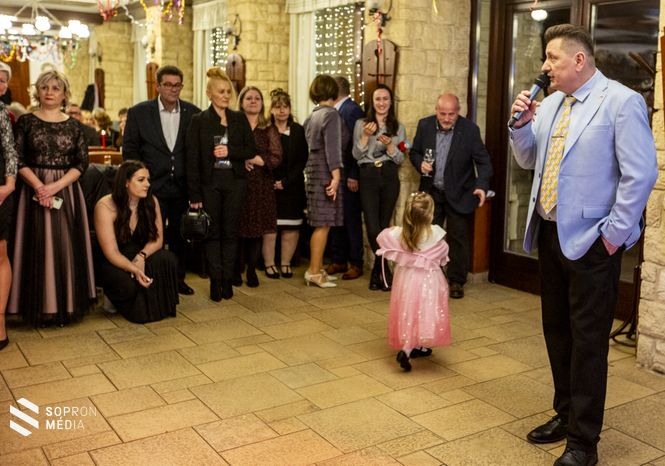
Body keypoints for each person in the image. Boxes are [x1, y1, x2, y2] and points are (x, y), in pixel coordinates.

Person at [510, 24, 657, 466]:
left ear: (579, 59)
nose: (545, 66)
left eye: (552, 57)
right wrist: (520, 125)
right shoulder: (552, 104)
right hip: (550, 233)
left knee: (589, 343)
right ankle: (565, 413)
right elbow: (529, 159)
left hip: (594, 243)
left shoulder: (620, 102)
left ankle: (583, 443)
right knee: (557, 332)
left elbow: (640, 174)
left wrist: (612, 236)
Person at [8, 70, 96, 327]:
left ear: (65, 94)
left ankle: (64, 307)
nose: (49, 92)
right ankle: (35, 307)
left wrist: (54, 187)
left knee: (64, 246)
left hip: (66, 191)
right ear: (37, 91)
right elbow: (16, 158)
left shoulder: (75, 126)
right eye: (45, 87)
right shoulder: (25, 121)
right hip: (30, 190)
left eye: (56, 88)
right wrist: (39, 187)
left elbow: (81, 163)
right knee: (32, 244)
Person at [123, 65, 201, 296]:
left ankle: (178, 280)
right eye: (168, 84)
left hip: (181, 187)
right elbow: (130, 151)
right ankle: (149, 278)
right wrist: (138, 181)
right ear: (157, 86)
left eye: (177, 85)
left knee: (180, 237)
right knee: (151, 235)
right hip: (151, 186)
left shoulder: (193, 113)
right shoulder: (139, 113)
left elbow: (196, 152)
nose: (173, 89)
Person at [410, 92, 493, 299]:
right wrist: (420, 163)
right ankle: (431, 277)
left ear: (458, 112)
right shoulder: (425, 125)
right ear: (436, 110)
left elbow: (484, 162)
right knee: (429, 237)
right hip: (432, 193)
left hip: (460, 193)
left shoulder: (470, 130)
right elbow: (414, 152)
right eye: (442, 114)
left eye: (451, 114)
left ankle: (456, 281)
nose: (447, 118)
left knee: (458, 238)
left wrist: (481, 186)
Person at [186, 68, 255, 301]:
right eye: (221, 92)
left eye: (228, 92)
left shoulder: (239, 119)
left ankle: (228, 279)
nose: (226, 96)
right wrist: (194, 194)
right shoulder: (199, 121)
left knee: (231, 233)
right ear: (209, 94)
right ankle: (215, 280)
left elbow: (250, 149)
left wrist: (230, 151)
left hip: (235, 183)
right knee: (212, 233)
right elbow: (192, 160)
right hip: (210, 184)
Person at [94, 161, 179, 323]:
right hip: (113, 259)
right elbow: (111, 252)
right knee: (127, 285)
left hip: (139, 253)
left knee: (167, 259)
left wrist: (141, 256)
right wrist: (134, 268)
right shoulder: (105, 206)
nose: (147, 184)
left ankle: (154, 304)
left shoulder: (151, 201)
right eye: (141, 180)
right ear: (126, 182)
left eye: (148, 180)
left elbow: (158, 240)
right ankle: (119, 299)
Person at [376, 192, 451, 372]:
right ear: (430, 214)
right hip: (428, 281)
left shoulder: (399, 234)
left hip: (406, 279)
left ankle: (413, 345)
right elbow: (443, 254)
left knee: (409, 310)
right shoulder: (436, 236)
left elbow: (381, 238)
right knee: (424, 311)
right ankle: (409, 348)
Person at [352, 84, 406, 291]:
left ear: (390, 102)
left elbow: (400, 159)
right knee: (373, 225)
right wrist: (366, 136)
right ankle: (384, 270)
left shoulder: (398, 127)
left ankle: (378, 273)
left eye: (385, 99)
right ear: (372, 102)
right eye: (378, 99)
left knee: (384, 225)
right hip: (368, 175)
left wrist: (391, 146)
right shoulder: (361, 124)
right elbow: (356, 155)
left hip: (389, 175)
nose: (381, 103)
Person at [234, 86, 282, 288]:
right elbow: (226, 150)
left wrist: (255, 159)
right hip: (238, 183)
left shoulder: (268, 129)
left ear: (262, 104)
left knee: (257, 229)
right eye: (249, 98)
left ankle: (252, 270)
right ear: (241, 102)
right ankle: (236, 269)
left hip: (262, 185)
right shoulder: (233, 125)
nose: (253, 101)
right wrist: (242, 159)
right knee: (238, 228)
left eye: (257, 98)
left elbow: (276, 157)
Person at [262, 89, 308, 279]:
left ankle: (286, 263)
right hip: (269, 186)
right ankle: (269, 264)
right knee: (270, 228)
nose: (282, 111)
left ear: (289, 109)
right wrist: (272, 181)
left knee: (291, 227)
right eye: (278, 107)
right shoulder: (266, 130)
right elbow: (263, 157)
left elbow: (302, 159)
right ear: (271, 110)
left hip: (292, 187)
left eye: (285, 107)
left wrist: (286, 182)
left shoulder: (297, 130)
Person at [303, 75, 344, 288]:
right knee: (323, 225)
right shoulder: (331, 114)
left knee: (322, 223)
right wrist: (336, 176)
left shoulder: (312, 116)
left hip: (313, 174)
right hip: (326, 174)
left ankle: (318, 268)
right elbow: (332, 148)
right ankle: (313, 272)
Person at [326, 76, 365, 280]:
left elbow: (354, 145)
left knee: (351, 219)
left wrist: (353, 174)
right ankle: (338, 259)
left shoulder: (352, 110)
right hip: (337, 173)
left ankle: (355, 262)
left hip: (348, 174)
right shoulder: (337, 110)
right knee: (337, 218)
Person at [0, 62, 17, 350]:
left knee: (0, 254)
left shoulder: (2, 113)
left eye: (3, 80)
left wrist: (9, 185)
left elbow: (10, 151)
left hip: (0, 190)